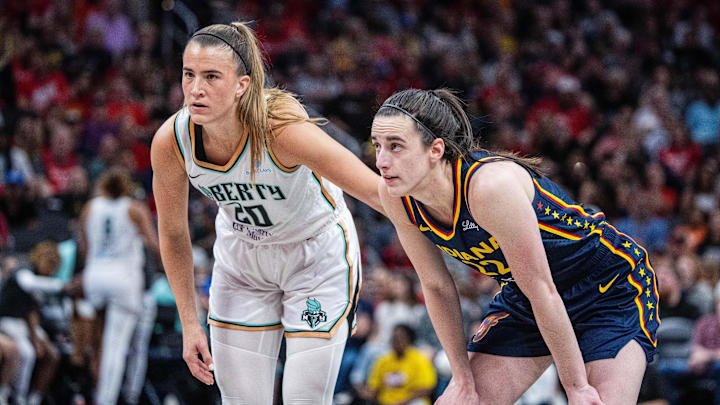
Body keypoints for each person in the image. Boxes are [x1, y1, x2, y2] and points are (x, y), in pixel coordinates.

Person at [371, 88, 659, 405]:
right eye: (377, 146)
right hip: (526, 296)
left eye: (395, 147)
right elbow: (436, 286)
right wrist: (462, 378)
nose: (381, 161)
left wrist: (576, 387)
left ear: (436, 149)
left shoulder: (490, 187)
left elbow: (543, 289)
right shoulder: (395, 195)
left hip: (606, 288)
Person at [150, 22, 382, 404]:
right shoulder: (171, 141)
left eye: (211, 76)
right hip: (243, 260)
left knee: (303, 399)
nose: (196, 88)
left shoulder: (282, 130)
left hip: (314, 259)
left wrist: (445, 225)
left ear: (242, 84)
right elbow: (174, 234)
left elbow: (374, 191)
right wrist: (189, 323)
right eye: (188, 75)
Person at [78, 168, 160, 405]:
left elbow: (84, 248)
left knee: (97, 344)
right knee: (116, 347)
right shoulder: (134, 209)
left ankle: (92, 392)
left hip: (94, 277)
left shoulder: (89, 208)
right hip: (122, 281)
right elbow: (153, 245)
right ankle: (107, 399)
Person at [366, 324, 437, 405]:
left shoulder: (420, 359)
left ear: (409, 340)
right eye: (395, 339)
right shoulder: (383, 360)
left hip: (410, 401)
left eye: (401, 338)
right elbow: (374, 387)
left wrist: (402, 402)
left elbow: (426, 389)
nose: (398, 342)